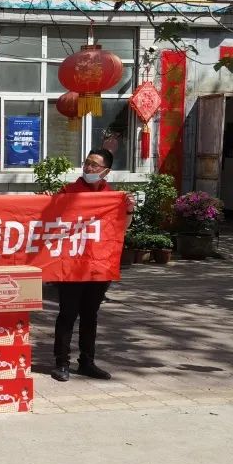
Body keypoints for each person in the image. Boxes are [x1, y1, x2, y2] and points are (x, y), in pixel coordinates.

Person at [51, 147, 134, 382]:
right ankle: (61, 363)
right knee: (67, 314)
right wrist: (48, 200)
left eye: (94, 165)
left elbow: (122, 227)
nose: (88, 168)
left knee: (90, 315)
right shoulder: (68, 191)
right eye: (87, 163)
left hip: (98, 266)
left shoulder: (112, 197)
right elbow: (50, 219)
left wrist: (129, 209)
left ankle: (87, 362)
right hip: (72, 264)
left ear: (106, 171)